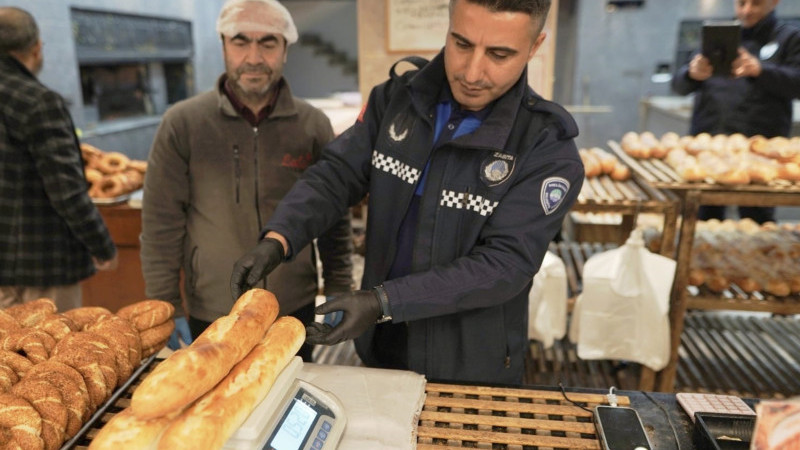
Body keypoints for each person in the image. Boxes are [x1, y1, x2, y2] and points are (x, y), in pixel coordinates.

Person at [232, 0, 584, 385]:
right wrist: (280, 237)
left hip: (469, 366)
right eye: (462, 44)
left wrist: (383, 301)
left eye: (499, 55)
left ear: (534, 46)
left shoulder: (546, 147)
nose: (472, 72)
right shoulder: (396, 101)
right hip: (382, 347)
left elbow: (503, 266)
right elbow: (336, 174)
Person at [140, 0, 353, 360]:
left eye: (268, 43)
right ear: (224, 45)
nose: (254, 57)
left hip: (293, 307)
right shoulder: (183, 124)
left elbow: (333, 214)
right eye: (241, 42)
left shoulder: (312, 125)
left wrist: (339, 284)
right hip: (214, 309)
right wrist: (165, 302)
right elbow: (161, 222)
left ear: (285, 49)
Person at [0, 7, 118, 311]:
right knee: (54, 341)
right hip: (43, 267)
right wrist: (102, 245)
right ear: (36, 48)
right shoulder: (38, 101)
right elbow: (66, 190)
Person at [672, 0, 800, 224]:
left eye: (756, 3)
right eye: (741, 3)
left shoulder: (789, 37)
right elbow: (678, 86)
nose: (747, 10)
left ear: (774, 2)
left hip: (760, 149)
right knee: (702, 220)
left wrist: (761, 71)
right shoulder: (717, 36)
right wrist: (691, 74)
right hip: (709, 145)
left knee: (757, 221)